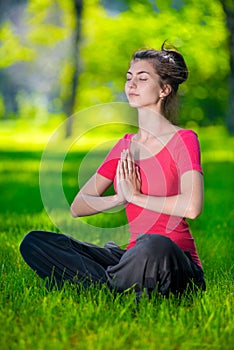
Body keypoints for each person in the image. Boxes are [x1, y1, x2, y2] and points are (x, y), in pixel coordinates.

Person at [20, 42, 206, 298]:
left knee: (153, 244)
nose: (131, 84)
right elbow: (78, 206)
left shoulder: (183, 139)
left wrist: (135, 197)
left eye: (142, 78)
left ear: (164, 89)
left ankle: (103, 284)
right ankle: (120, 283)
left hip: (172, 260)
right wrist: (119, 198)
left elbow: (192, 207)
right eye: (129, 77)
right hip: (131, 256)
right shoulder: (125, 146)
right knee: (36, 242)